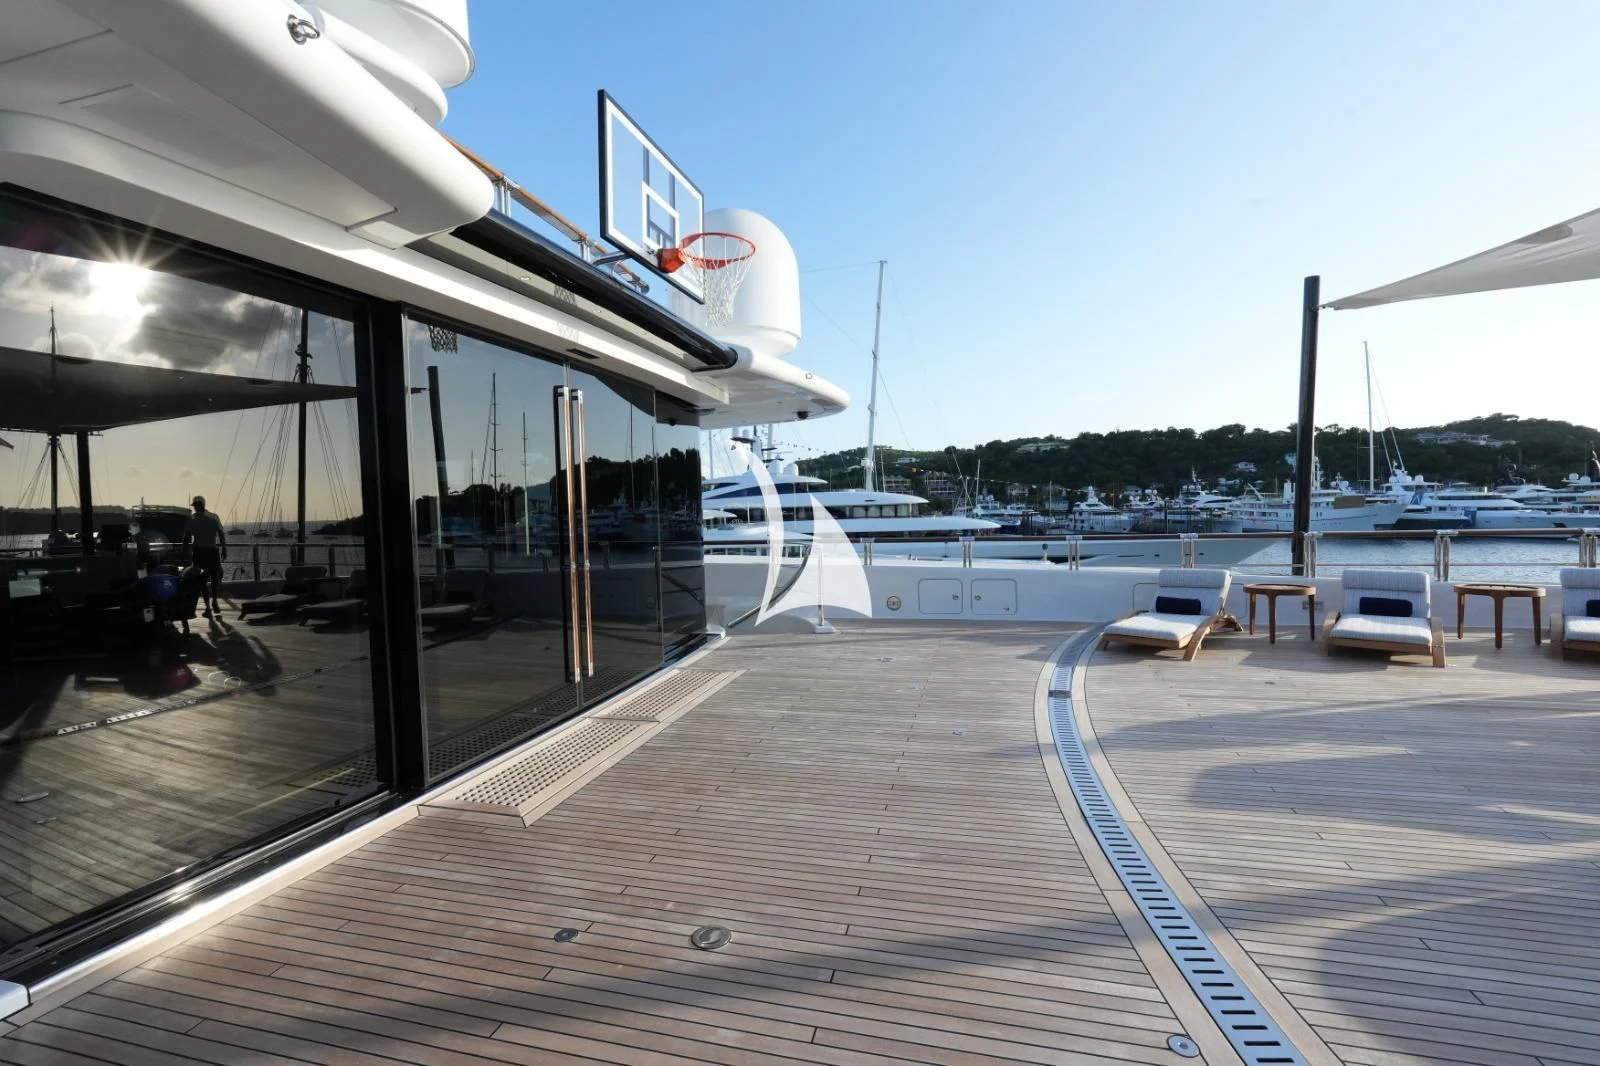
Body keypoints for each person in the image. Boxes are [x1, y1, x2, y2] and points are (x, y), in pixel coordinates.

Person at [183, 495, 227, 616]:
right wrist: (224, 548)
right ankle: (214, 602)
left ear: (197, 506)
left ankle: (208, 607)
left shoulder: (192, 519)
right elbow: (221, 534)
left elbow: (186, 538)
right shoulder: (213, 517)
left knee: (202, 580)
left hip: (199, 553)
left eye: (196, 506)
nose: (195, 508)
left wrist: (184, 552)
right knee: (215, 578)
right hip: (212, 551)